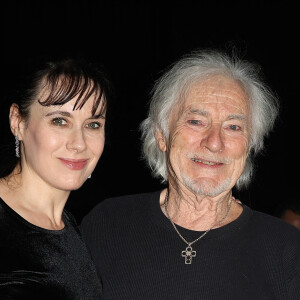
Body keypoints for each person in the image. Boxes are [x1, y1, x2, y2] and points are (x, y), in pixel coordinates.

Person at [81, 49, 300, 299]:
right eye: (196, 121)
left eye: (233, 127)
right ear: (161, 135)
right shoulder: (106, 225)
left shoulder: (286, 249)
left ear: (250, 145)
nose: (214, 143)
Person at [0, 57, 110, 298]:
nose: (79, 143)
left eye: (92, 125)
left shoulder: (73, 230)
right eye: (59, 121)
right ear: (17, 122)